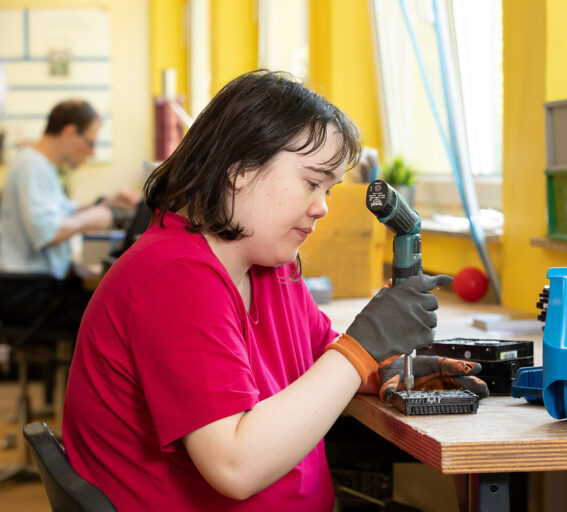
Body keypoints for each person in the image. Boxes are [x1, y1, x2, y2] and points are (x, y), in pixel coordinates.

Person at [63, 70, 480, 511]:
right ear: (241, 168)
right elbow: (234, 466)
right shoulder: (175, 276)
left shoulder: (268, 263)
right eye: (311, 182)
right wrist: (363, 348)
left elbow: (320, 357)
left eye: (329, 189)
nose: (321, 207)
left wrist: (383, 367)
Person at [0, 99, 139, 327]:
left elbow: (62, 212)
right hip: (27, 291)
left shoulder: (39, 165)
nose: (92, 153)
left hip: (33, 287)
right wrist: (93, 218)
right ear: (70, 132)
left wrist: (106, 203)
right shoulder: (32, 166)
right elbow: (46, 232)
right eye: (90, 143)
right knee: (111, 318)